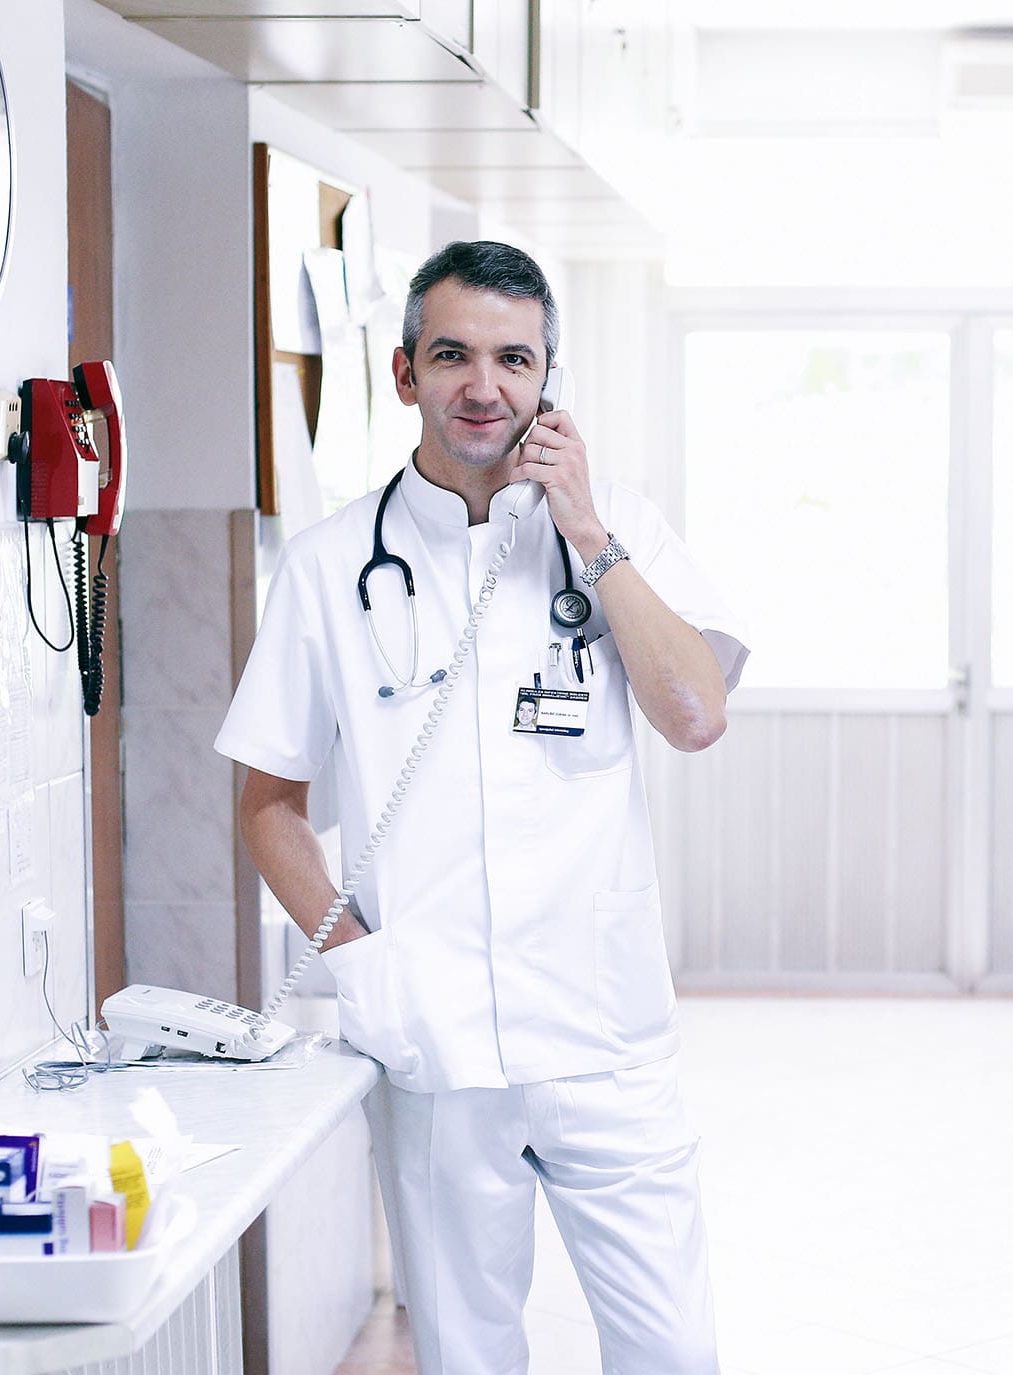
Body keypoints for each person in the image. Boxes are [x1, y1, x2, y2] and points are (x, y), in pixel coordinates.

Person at [216, 240, 747, 1374]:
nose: (484, 386)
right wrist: (364, 965)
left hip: (603, 1034)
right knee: (467, 1356)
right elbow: (267, 801)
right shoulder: (328, 565)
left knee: (675, 1350)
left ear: (549, 380)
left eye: (515, 359)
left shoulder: (620, 530)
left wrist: (588, 533)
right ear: (404, 371)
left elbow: (696, 714)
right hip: (434, 1045)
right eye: (453, 354)